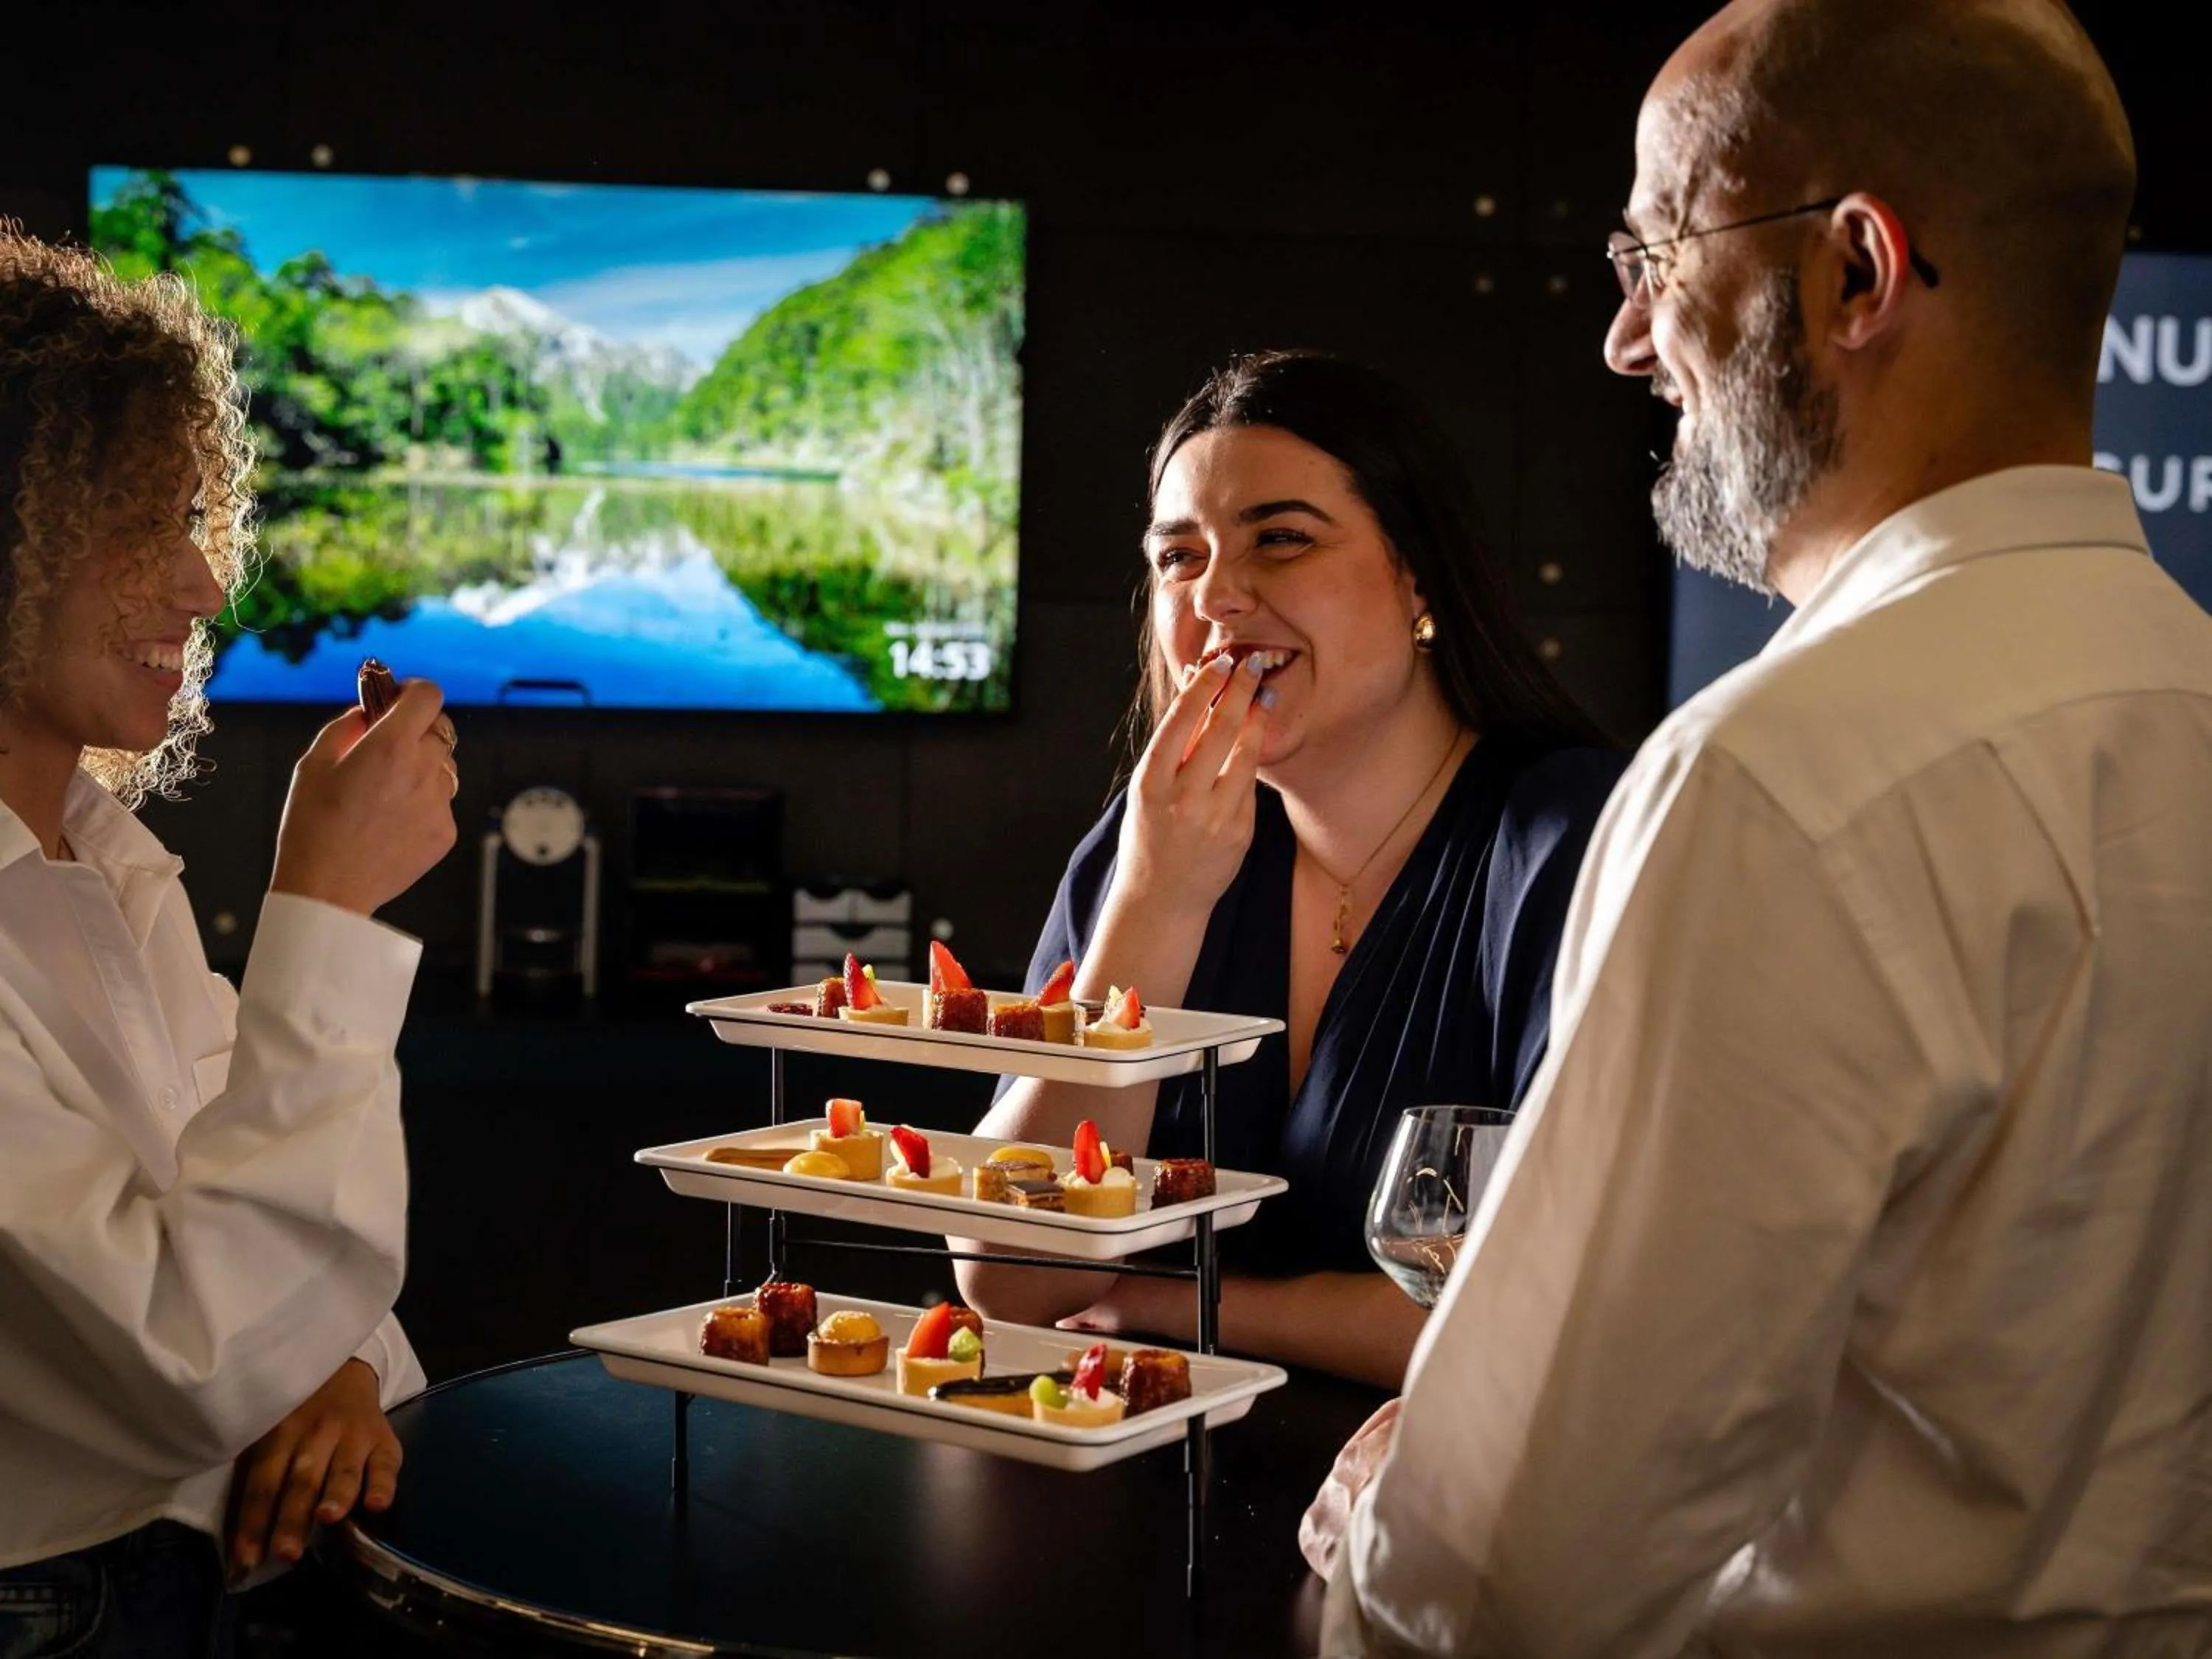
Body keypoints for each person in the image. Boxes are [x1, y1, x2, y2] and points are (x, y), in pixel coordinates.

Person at [1307, 0, 2212, 1652]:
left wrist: (1380, 1529)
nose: (1627, 339)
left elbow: (1503, 1585)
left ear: (1854, 273)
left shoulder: (1777, 779)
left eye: (1660, 248)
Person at [957, 352, 1624, 1388]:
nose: (1218, 596)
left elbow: (1554, 1311)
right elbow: (1009, 1276)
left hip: (1439, 1514)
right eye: (1179, 558)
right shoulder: (1142, 850)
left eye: (1281, 540)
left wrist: (1165, 1303)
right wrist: (1153, 905)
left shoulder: (1569, 841)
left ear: (1420, 576)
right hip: (1136, 1495)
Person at [0, 232, 458, 1654]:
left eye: (196, 517)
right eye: (141, 523)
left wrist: (338, 1368)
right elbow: (193, 1348)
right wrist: (324, 909)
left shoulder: (103, 868)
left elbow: (278, 1277)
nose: (203, 588)